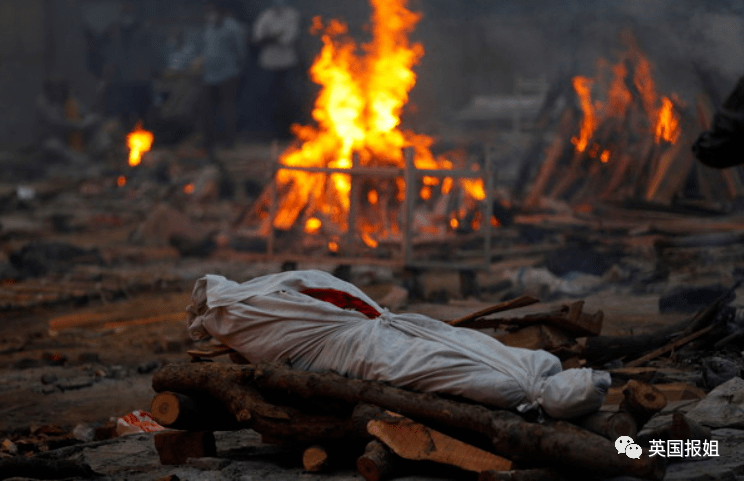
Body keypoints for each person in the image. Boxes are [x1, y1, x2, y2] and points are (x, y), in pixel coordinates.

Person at [201, 0, 246, 157]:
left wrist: (237, 68)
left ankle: (229, 141)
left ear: (220, 11)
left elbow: (240, 50)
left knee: (228, 108)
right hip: (209, 76)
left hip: (228, 74)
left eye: (212, 11)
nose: (210, 15)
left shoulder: (232, 27)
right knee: (208, 109)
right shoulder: (209, 27)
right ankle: (210, 141)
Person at [105, 1, 158, 129]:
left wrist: (151, 72)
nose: (125, 9)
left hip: (141, 82)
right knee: (124, 119)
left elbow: (152, 54)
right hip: (122, 83)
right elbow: (112, 54)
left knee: (144, 118)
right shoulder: (115, 30)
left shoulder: (144, 30)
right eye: (123, 6)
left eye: (128, 6)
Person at [253, 0, 301, 138]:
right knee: (268, 98)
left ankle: (287, 133)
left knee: (287, 98)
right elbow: (257, 38)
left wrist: (269, 37)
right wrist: (276, 36)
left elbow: (288, 39)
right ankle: (269, 133)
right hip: (268, 64)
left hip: (287, 64)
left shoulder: (292, 15)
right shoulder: (266, 15)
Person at [35, 77, 101, 163]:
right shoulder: (43, 103)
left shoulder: (70, 100)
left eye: (60, 87)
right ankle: (75, 159)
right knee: (52, 145)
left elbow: (85, 113)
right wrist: (80, 125)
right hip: (56, 138)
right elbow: (57, 123)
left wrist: (90, 118)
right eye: (55, 88)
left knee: (100, 137)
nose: (58, 91)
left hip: (76, 137)